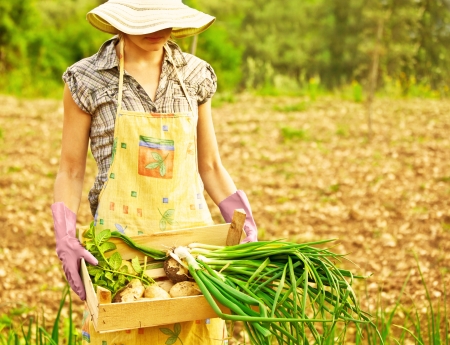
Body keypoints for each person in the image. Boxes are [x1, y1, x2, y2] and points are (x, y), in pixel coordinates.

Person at [50, 0, 258, 344]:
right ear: (120, 19)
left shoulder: (194, 75)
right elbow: (71, 170)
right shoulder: (86, 79)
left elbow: (209, 165)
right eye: (146, 21)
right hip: (120, 252)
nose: (160, 30)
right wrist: (65, 237)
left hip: (191, 256)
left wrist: (242, 220)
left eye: (167, 20)